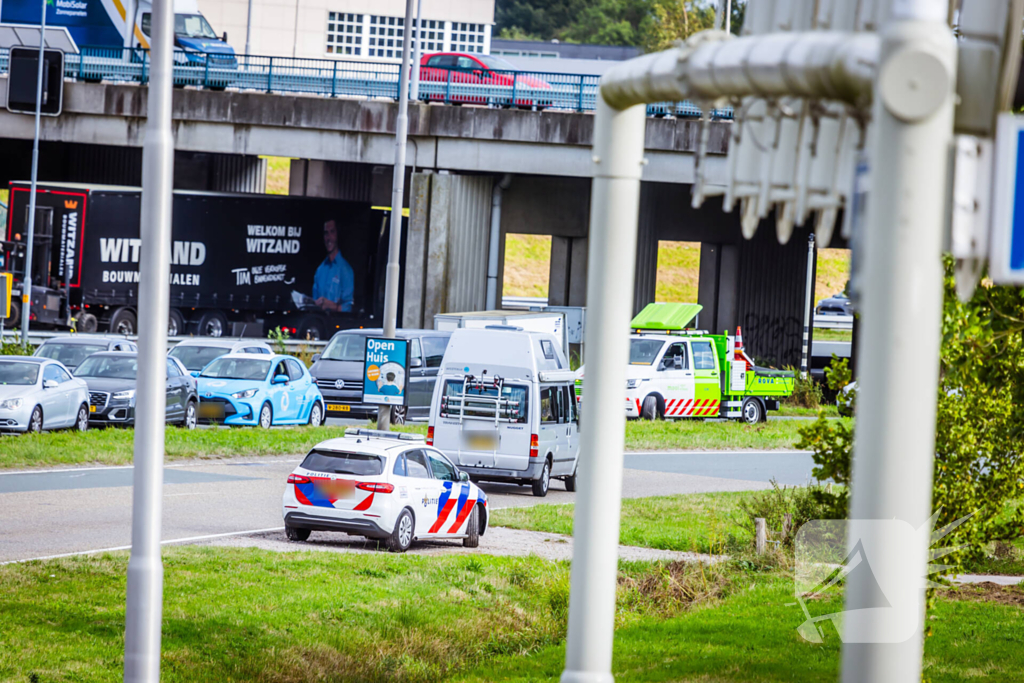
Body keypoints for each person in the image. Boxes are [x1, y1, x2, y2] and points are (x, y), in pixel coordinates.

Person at [312, 219, 354, 312]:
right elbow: (314, 302)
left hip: (338, 321)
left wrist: (333, 306)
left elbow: (349, 307)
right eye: (326, 233)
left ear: (337, 235)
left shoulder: (346, 270)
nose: (329, 238)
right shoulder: (320, 270)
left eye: (332, 232)